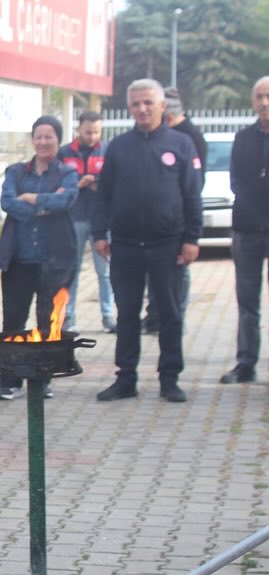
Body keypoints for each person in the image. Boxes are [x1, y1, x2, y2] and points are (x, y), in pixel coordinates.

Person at [93, 78, 202, 403]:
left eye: (148, 103)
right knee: (127, 314)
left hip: (167, 245)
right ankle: (126, 378)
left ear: (162, 106)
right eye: (136, 104)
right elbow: (104, 195)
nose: (142, 109)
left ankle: (170, 378)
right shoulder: (118, 146)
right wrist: (99, 234)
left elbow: (192, 196)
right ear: (129, 108)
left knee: (169, 313)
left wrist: (192, 239)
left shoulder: (181, 145)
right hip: (125, 245)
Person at [0, 116, 79, 401]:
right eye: (39, 137)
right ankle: (10, 379)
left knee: (49, 320)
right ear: (33, 140)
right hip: (19, 260)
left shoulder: (67, 172)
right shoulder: (15, 171)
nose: (44, 142)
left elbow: (66, 200)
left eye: (50, 137)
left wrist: (30, 198)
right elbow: (7, 202)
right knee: (13, 321)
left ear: (58, 139)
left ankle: (43, 378)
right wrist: (44, 204)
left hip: (55, 259)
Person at [144, 86, 207, 331]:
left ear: (167, 113)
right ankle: (154, 316)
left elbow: (195, 183)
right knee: (154, 273)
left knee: (179, 271)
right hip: (153, 221)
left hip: (178, 218)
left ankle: (176, 316)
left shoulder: (189, 137)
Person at [220, 76, 269, 385]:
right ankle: (246, 363)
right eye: (259, 97)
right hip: (248, 229)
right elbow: (235, 181)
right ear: (252, 102)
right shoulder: (243, 138)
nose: (264, 102)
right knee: (247, 302)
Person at [60, 111, 115, 333]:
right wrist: (78, 184)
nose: (92, 136)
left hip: (102, 220)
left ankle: (108, 315)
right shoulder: (64, 153)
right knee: (71, 270)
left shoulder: (108, 151)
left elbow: (115, 180)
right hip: (73, 218)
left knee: (105, 271)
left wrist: (98, 183)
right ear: (78, 130)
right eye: (88, 132)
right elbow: (58, 181)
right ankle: (68, 315)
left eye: (96, 132)